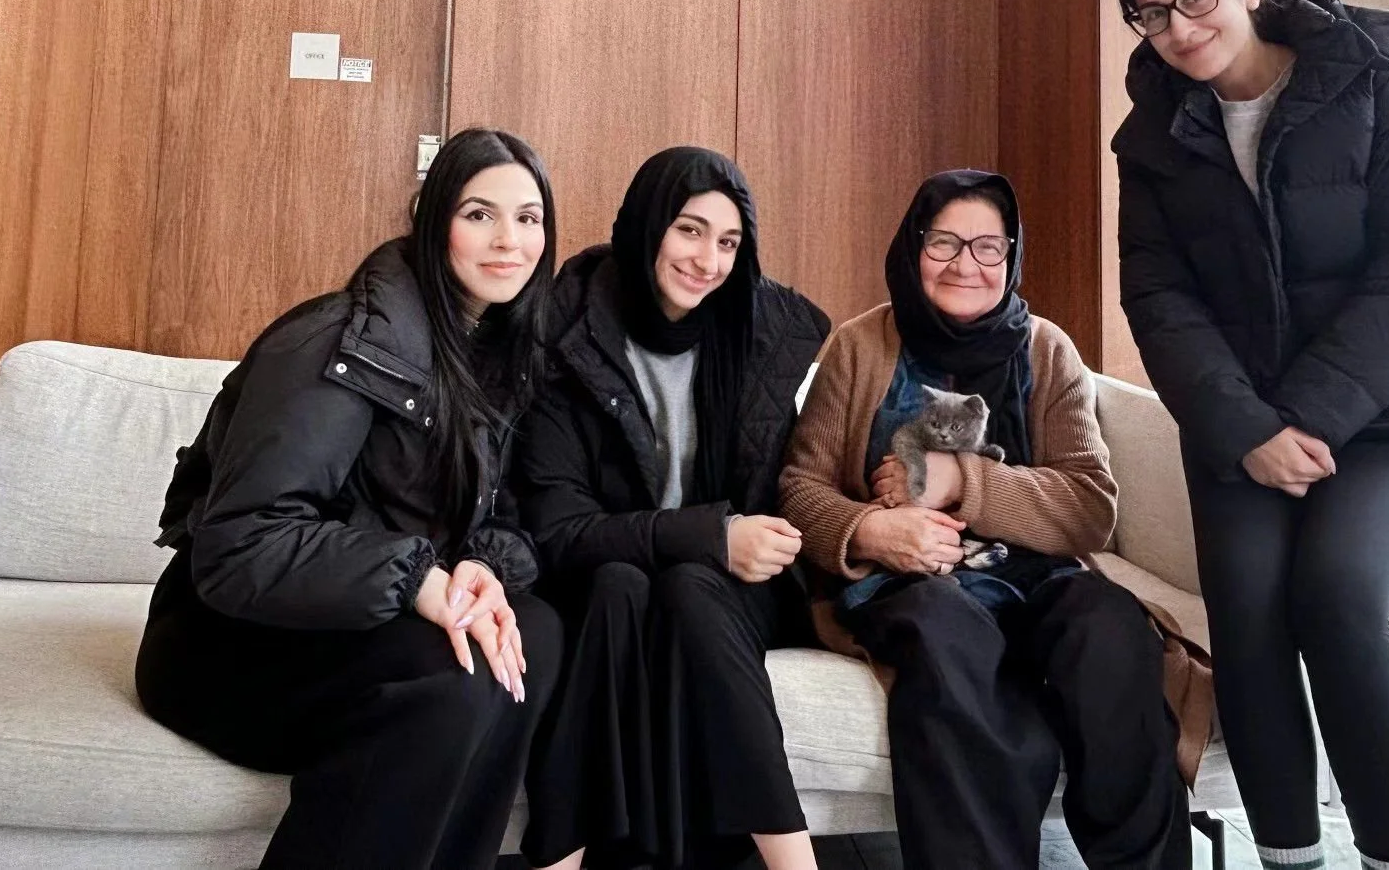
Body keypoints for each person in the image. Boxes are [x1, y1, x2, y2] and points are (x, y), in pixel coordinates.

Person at [1112, 0, 1389, 870]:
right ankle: (1289, 855)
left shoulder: (1364, 80)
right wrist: (1247, 429)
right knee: (1247, 611)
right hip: (1242, 424)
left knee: (1339, 594)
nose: (1181, 27)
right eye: (1152, 15)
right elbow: (1159, 298)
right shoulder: (1149, 138)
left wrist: (1311, 415)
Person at [135, 128, 564, 870]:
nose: (509, 240)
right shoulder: (338, 339)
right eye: (479, 214)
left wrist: (483, 568)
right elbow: (243, 545)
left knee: (535, 631)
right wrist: (419, 578)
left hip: (348, 624)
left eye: (528, 218)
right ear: (433, 222)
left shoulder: (493, 354)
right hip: (225, 638)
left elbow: (502, 516)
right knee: (453, 678)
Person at [780, 170, 1200, 870]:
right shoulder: (859, 346)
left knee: (1109, 628)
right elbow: (798, 486)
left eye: (987, 247)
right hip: (908, 581)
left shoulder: (1047, 350)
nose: (965, 264)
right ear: (912, 247)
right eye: (944, 242)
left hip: (1035, 575)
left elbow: (1092, 507)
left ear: (1011, 256)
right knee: (946, 641)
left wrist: (962, 481)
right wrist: (868, 530)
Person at [514, 147, 831, 870]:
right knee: (622, 585)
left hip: (732, 589)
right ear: (648, 224)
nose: (708, 260)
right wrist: (710, 536)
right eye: (690, 230)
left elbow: (775, 510)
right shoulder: (566, 337)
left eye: (728, 241)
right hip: (609, 576)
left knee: (688, 588)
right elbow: (560, 532)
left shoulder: (758, 337)